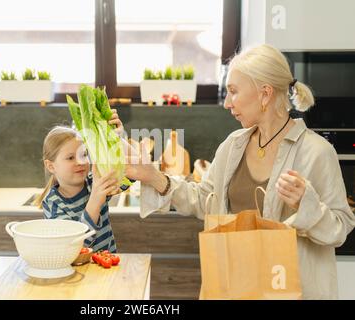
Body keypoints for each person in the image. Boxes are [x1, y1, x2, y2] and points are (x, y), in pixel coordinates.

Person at [125, 44, 355, 299]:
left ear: (265, 94)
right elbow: (204, 200)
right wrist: (152, 176)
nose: (226, 103)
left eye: (233, 92)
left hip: (290, 291)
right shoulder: (233, 144)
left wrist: (306, 204)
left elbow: (340, 229)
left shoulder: (317, 152)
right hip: (233, 286)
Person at [34, 110, 126, 253]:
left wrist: (116, 140)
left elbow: (128, 177)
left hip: (107, 267)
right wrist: (95, 200)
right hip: (79, 273)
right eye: (71, 158)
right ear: (51, 166)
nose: (80, 162)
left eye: (83, 155)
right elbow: (74, 247)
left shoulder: (93, 182)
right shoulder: (53, 203)